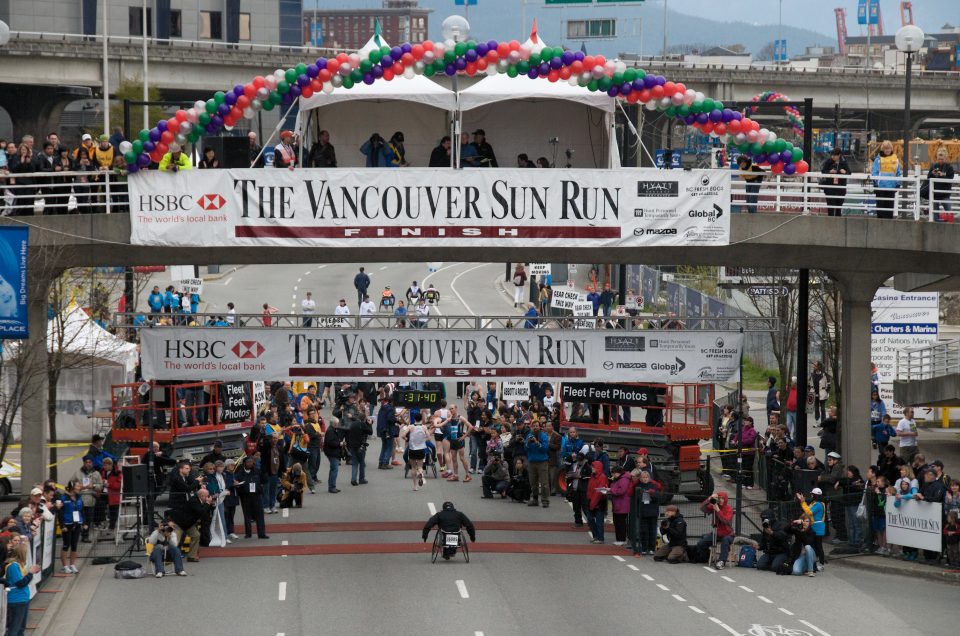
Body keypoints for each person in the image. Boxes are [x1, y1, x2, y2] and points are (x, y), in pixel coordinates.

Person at [5, 541, 41, 636]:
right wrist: (30, 573)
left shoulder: (18, 565)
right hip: (17, 600)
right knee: (15, 628)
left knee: (21, 628)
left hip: (21, 599)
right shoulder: (13, 566)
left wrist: (30, 573)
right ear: (22, 554)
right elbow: (20, 583)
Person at [697, 492, 735, 569]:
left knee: (725, 541)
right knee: (701, 543)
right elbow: (702, 508)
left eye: (722, 498)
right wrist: (709, 499)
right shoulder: (714, 506)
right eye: (719, 498)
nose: (720, 500)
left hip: (728, 534)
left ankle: (721, 561)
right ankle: (707, 557)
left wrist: (718, 511)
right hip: (716, 533)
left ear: (725, 500)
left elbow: (726, 521)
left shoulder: (729, 509)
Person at [234, 455, 268, 539]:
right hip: (245, 496)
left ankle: (262, 533)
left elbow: (264, 480)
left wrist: (260, 486)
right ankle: (248, 533)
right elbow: (236, 482)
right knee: (247, 516)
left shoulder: (257, 471)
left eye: (251, 462)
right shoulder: (240, 473)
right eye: (248, 462)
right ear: (244, 463)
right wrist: (238, 485)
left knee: (260, 515)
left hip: (256, 496)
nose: (250, 464)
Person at [341, 392, 372, 486]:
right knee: (362, 463)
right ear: (363, 419)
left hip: (352, 446)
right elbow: (370, 432)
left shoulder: (352, 424)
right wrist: (369, 424)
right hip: (361, 446)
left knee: (354, 463)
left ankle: (353, 479)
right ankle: (361, 478)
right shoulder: (363, 425)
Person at [73, 455, 103, 541]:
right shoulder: (78, 473)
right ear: (84, 463)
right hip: (79, 499)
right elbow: (71, 484)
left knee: (89, 519)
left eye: (90, 462)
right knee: (79, 518)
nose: (88, 464)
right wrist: (78, 487)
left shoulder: (96, 473)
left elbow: (100, 486)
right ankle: (77, 534)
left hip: (91, 499)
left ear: (92, 463)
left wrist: (92, 486)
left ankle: (85, 535)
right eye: (86, 462)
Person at [59, 480, 86, 574]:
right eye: (78, 486)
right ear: (72, 487)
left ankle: (72, 565)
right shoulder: (63, 497)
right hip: (67, 524)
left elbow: (81, 510)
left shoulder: (79, 497)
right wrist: (62, 525)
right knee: (66, 544)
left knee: (74, 545)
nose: (80, 487)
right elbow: (60, 512)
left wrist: (84, 523)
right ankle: (65, 566)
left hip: (77, 523)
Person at [871, 140, 901, 219]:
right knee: (881, 209)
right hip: (880, 187)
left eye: (888, 148)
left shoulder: (896, 160)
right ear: (882, 149)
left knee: (889, 209)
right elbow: (874, 172)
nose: (887, 150)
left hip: (891, 187)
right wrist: (876, 183)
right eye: (885, 149)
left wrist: (898, 183)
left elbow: (898, 173)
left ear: (891, 149)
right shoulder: (878, 160)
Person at [798, 488, 826, 569]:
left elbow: (809, 512)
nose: (811, 495)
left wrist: (803, 502)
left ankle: (820, 563)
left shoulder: (818, 504)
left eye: (812, 494)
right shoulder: (815, 503)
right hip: (815, 527)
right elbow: (807, 509)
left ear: (815, 495)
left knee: (818, 546)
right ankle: (816, 563)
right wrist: (802, 501)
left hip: (817, 527)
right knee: (815, 545)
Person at [524, 420, 550, 507]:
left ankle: (545, 500)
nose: (535, 427)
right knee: (533, 483)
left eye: (537, 426)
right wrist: (528, 442)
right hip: (532, 462)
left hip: (542, 462)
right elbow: (525, 449)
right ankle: (535, 499)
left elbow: (546, 448)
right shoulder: (529, 435)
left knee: (544, 483)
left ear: (540, 427)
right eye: (534, 426)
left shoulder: (544, 436)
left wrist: (537, 442)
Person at [756, 509, 791, 573]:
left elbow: (783, 536)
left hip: (781, 552)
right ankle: (773, 563)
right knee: (759, 566)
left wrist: (772, 533)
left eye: (766, 519)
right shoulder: (765, 527)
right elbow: (764, 541)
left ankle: (781, 563)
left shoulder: (781, 525)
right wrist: (759, 547)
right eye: (763, 519)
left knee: (775, 567)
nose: (764, 521)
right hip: (769, 552)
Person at [927, 147, 956, 222]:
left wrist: (942, 175)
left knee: (949, 213)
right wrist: (932, 174)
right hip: (935, 193)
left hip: (945, 194)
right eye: (939, 159)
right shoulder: (934, 166)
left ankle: (948, 225)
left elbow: (950, 179)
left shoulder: (949, 167)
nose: (940, 160)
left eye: (942, 159)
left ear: (945, 158)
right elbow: (928, 178)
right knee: (935, 217)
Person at [819, 148, 850, 216]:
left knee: (838, 209)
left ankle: (838, 223)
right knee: (830, 209)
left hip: (840, 188)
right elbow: (823, 171)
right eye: (832, 155)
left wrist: (845, 172)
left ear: (839, 155)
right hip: (830, 188)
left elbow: (849, 173)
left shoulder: (843, 162)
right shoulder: (828, 161)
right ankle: (830, 224)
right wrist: (830, 171)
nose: (832, 157)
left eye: (834, 155)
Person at [586, 460, 609, 543]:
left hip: (599, 502)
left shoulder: (602, 477)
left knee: (599, 521)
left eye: (593, 467)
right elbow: (590, 489)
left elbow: (599, 492)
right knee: (590, 520)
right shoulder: (593, 476)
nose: (592, 468)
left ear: (598, 468)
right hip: (592, 501)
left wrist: (592, 503)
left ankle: (600, 538)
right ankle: (596, 536)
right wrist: (589, 500)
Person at [377, 394, 399, 470]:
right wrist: (396, 419)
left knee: (384, 446)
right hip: (388, 430)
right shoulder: (390, 408)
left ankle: (381, 462)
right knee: (389, 446)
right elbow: (390, 419)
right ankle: (385, 463)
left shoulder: (382, 407)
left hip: (381, 429)